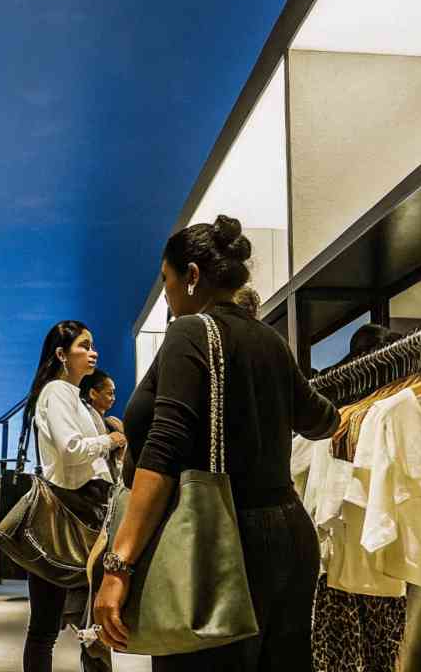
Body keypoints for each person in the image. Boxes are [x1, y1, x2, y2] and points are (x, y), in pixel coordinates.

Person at [93, 214, 340, 672]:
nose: (166, 295)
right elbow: (324, 421)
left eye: (166, 281)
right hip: (288, 538)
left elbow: (164, 449)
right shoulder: (271, 341)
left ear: (190, 277)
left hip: (220, 543)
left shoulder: (189, 332)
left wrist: (118, 564)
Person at [23, 321, 128, 672]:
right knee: (46, 626)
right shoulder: (56, 391)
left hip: (87, 510)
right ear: (61, 354)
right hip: (68, 510)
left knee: (87, 623)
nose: (93, 351)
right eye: (84, 345)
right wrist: (109, 441)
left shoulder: (76, 398)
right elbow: (70, 450)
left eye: (93, 344)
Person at [80, 369, 124, 481]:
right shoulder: (85, 420)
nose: (113, 398)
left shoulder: (111, 423)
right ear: (93, 394)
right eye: (110, 393)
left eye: (114, 393)